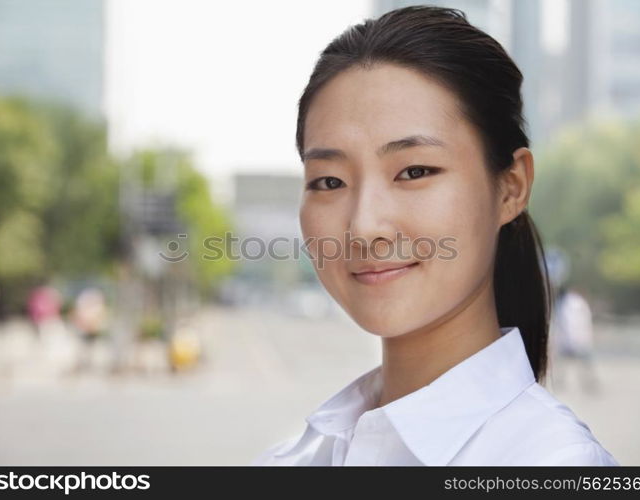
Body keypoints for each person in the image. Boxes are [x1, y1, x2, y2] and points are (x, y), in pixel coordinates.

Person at [251, 6, 619, 466]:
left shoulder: (554, 464)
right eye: (329, 181)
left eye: (414, 171)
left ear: (511, 187)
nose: (365, 227)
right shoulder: (290, 462)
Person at [550, 286, 601, 394]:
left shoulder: (565, 304)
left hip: (573, 340)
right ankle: (587, 384)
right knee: (579, 365)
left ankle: (587, 383)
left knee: (577, 364)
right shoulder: (577, 301)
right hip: (579, 340)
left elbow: (567, 324)